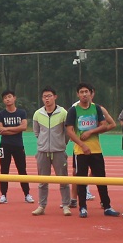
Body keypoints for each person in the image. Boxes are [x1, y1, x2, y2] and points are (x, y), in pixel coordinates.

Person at [66, 83, 120, 218]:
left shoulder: (96, 108)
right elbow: (69, 131)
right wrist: (82, 145)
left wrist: (90, 132)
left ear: (91, 93)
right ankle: (83, 207)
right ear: (78, 94)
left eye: (86, 92)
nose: (84, 94)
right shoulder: (73, 110)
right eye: (81, 92)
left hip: (96, 150)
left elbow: (104, 125)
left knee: (101, 179)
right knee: (81, 180)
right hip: (80, 151)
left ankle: (107, 206)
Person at [31, 87, 71, 216]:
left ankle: (66, 205)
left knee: (63, 180)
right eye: (44, 96)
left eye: (49, 96)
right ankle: (41, 206)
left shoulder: (63, 113)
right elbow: (37, 132)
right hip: (42, 152)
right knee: (42, 181)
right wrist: (43, 143)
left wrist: (61, 144)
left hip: (59, 151)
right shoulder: (38, 114)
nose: (47, 99)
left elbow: (67, 133)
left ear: (55, 97)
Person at [0, 90, 32, 204]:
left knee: (22, 169)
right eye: (5, 98)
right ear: (3, 100)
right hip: (4, 145)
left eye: (9, 97)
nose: (8, 99)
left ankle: (27, 194)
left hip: (18, 145)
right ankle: (3, 195)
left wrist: (7, 129)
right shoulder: (0, 114)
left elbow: (24, 127)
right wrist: (15, 129)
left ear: (14, 98)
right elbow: (0, 130)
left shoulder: (21, 113)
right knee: (4, 170)